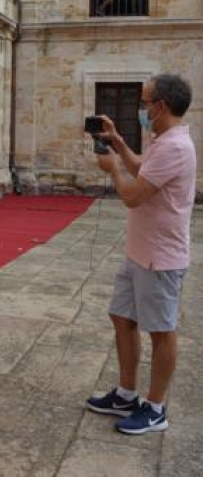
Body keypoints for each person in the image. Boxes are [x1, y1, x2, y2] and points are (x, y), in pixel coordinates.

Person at [86, 74, 196, 435]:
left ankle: (155, 407)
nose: (142, 108)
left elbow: (133, 195)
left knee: (161, 330)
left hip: (160, 257)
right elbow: (143, 171)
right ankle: (126, 393)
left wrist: (113, 168)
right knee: (121, 316)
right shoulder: (162, 140)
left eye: (145, 102)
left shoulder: (175, 147)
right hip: (140, 252)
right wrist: (117, 143)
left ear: (161, 106)